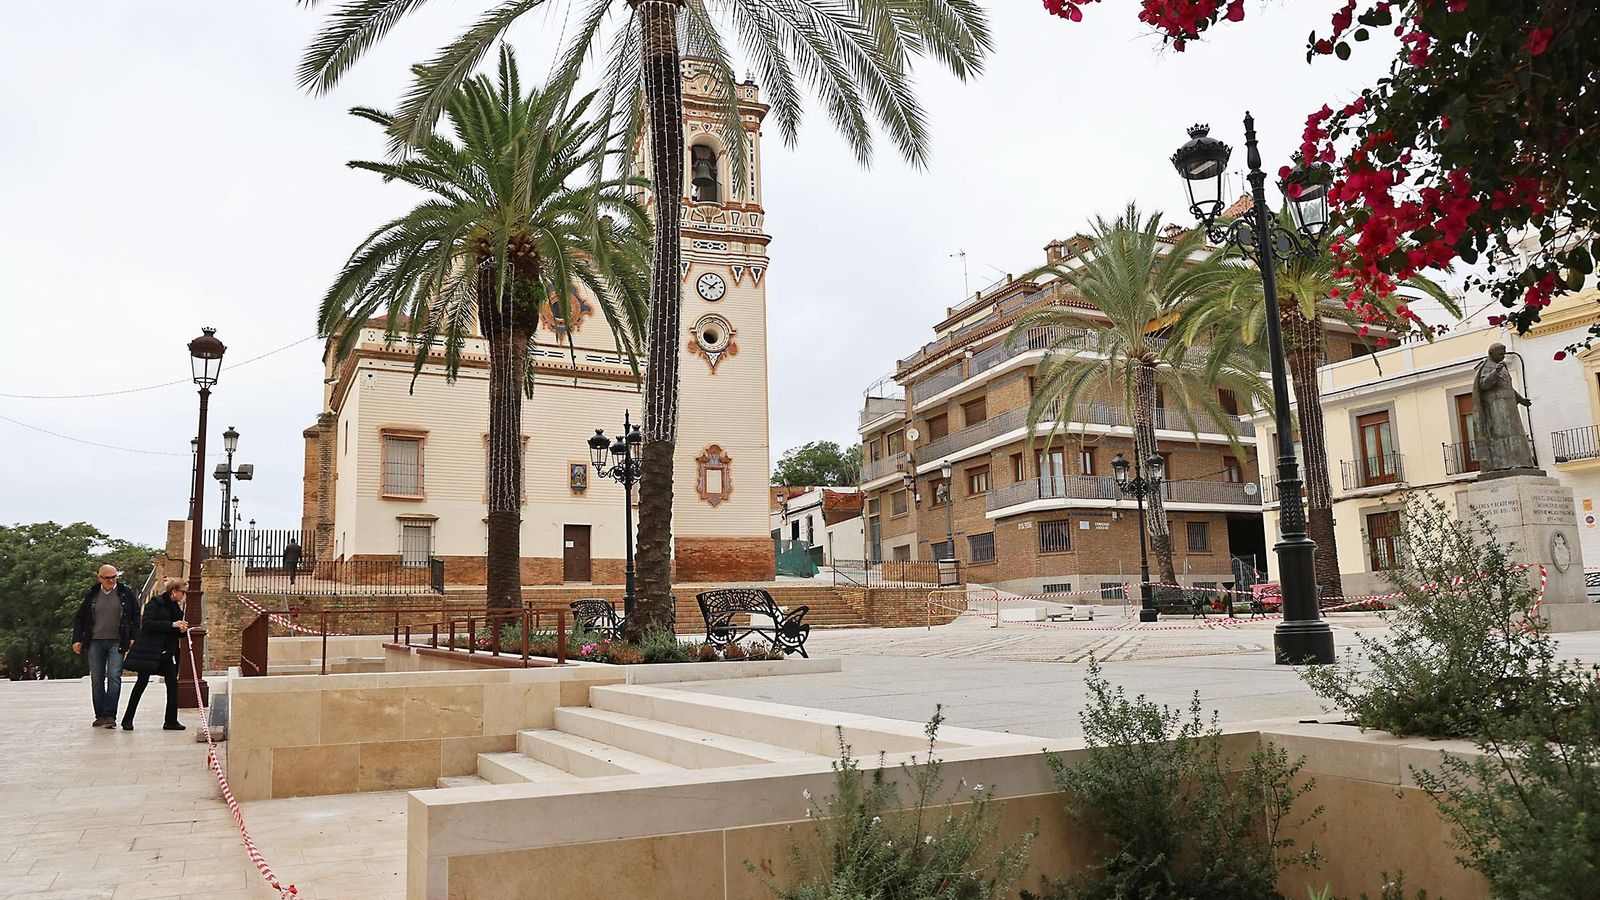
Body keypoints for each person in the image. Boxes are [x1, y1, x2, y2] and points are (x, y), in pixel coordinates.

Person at [71, 565, 140, 728]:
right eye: (107, 578)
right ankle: (100, 714)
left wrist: (133, 636)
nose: (111, 580)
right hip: (95, 641)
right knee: (97, 679)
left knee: (114, 677)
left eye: (114, 577)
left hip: (117, 641)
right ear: (99, 578)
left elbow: (135, 615)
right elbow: (80, 617)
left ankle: (110, 715)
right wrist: (77, 639)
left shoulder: (125, 593)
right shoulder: (93, 594)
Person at [121, 578, 190, 731]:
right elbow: (147, 624)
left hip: (166, 653)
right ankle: (127, 719)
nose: (184, 595)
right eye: (183, 592)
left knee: (172, 685)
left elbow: (174, 632)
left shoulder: (176, 608)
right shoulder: (155, 603)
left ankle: (171, 720)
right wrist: (172, 624)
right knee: (141, 683)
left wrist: (182, 630)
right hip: (150, 652)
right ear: (174, 592)